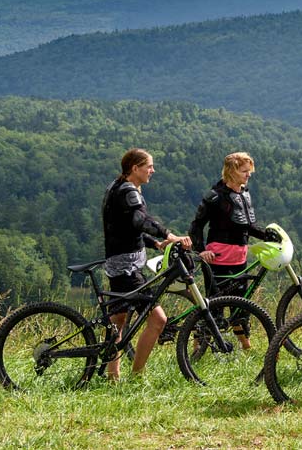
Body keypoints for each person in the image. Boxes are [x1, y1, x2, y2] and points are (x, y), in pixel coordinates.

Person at [101, 148, 192, 380]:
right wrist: (169, 235)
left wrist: (155, 243)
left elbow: (126, 226)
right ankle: (137, 375)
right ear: (135, 168)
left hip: (118, 262)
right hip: (127, 268)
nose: (153, 170)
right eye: (149, 166)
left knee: (117, 320)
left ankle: (113, 376)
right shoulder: (129, 191)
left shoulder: (117, 186)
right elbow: (141, 220)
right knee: (158, 319)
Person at [189, 151, 279, 349]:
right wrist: (201, 251)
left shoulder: (244, 193)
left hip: (240, 258)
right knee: (214, 305)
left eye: (250, 171)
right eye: (244, 171)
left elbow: (247, 225)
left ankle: (246, 346)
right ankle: (197, 348)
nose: (248, 175)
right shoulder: (214, 196)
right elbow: (196, 226)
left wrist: (268, 235)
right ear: (231, 171)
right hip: (217, 259)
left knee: (241, 304)